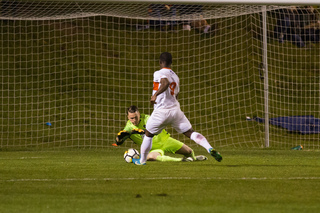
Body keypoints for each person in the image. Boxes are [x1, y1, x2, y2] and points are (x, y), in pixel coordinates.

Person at [133, 52, 222, 165]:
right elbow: (176, 94)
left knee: (148, 134)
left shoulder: (158, 73)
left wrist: (155, 95)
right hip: (175, 111)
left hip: (161, 111)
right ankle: (209, 148)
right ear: (171, 62)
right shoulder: (176, 76)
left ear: (160, 62)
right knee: (190, 132)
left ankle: (142, 161)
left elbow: (165, 83)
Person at [115, 105, 208, 162]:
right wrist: (119, 139)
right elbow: (119, 141)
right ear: (128, 117)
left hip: (165, 140)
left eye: (136, 117)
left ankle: (194, 158)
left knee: (189, 151)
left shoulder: (147, 118)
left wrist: (141, 131)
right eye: (131, 118)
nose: (134, 120)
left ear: (139, 114)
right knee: (151, 156)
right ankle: (181, 160)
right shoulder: (128, 127)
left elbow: (151, 129)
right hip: (152, 148)